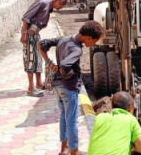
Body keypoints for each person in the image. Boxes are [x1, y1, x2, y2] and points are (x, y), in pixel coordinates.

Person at [38, 21, 105, 155]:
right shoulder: (77, 49)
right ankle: (74, 151)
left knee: (64, 117)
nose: (95, 44)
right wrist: (69, 74)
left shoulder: (64, 39)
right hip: (68, 88)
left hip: (57, 86)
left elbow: (41, 44)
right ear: (88, 38)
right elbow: (64, 64)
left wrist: (49, 63)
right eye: (95, 41)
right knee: (72, 120)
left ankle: (64, 149)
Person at [21, 0, 67, 97]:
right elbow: (26, 18)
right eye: (60, 4)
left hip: (35, 33)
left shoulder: (49, 8)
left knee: (38, 59)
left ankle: (39, 84)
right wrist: (24, 34)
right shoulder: (42, 3)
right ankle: (30, 88)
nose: (60, 7)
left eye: (62, 6)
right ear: (55, 0)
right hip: (28, 33)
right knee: (30, 59)